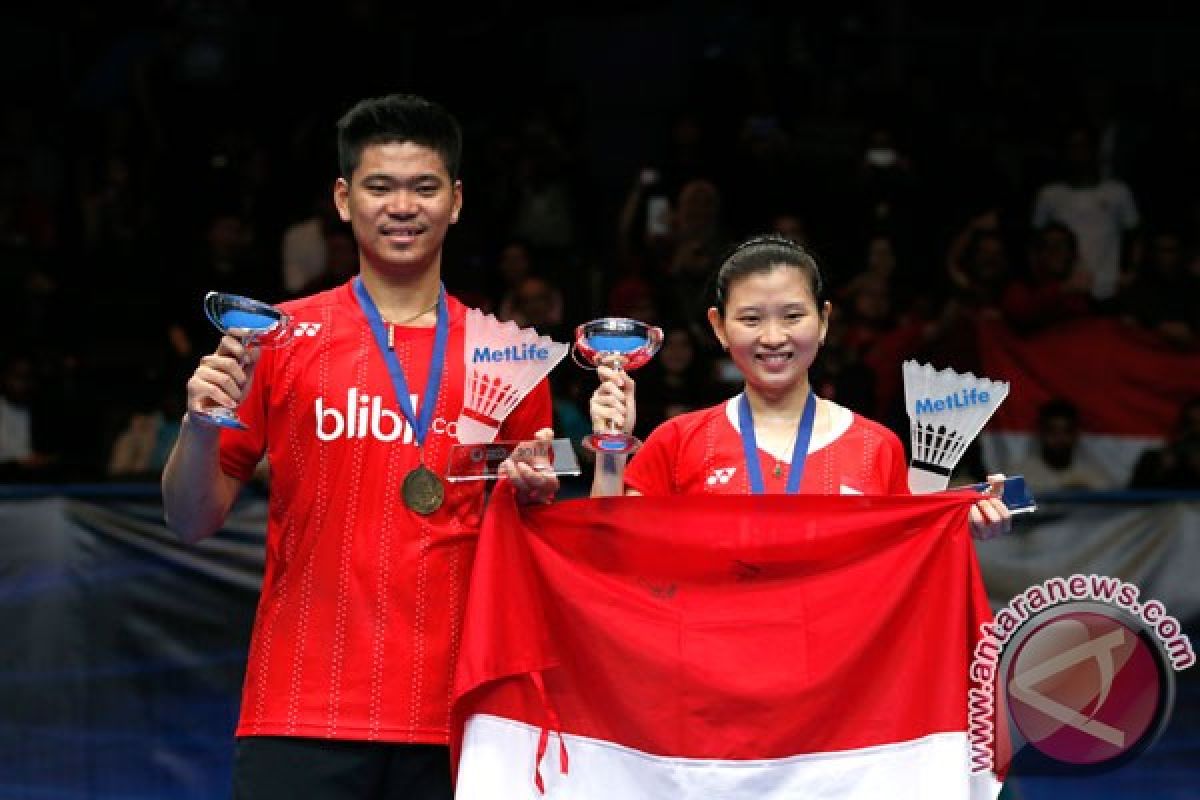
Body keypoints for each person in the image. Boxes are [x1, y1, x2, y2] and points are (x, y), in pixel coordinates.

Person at [161, 93, 554, 800]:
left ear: (456, 201)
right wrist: (197, 424)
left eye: (425, 187)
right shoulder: (275, 338)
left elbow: (537, 529)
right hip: (297, 709)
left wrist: (542, 486)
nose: (402, 205)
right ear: (344, 200)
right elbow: (193, 518)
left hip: (459, 715)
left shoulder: (509, 356)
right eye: (380, 186)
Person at [516, 234, 1009, 539]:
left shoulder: (876, 449)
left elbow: (905, 565)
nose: (773, 338)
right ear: (719, 326)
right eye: (750, 319)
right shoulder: (678, 442)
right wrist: (610, 453)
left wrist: (966, 527)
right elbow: (613, 546)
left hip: (834, 687)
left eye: (793, 316)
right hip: (710, 683)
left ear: (824, 321)